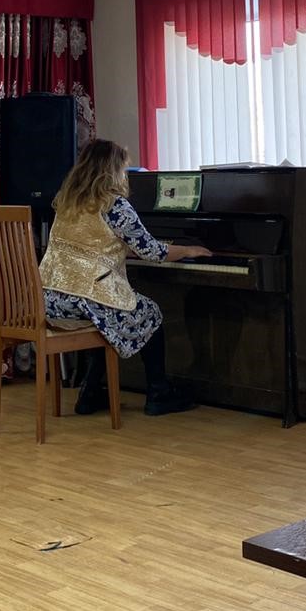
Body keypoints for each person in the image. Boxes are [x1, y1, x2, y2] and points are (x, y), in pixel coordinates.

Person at [39, 138, 211, 416]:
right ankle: (158, 393)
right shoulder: (113, 204)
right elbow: (152, 251)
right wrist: (189, 249)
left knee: (104, 318)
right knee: (149, 313)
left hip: (51, 298)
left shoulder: (66, 200)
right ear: (112, 170)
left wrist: (121, 249)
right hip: (85, 297)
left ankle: (90, 392)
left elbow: (91, 243)